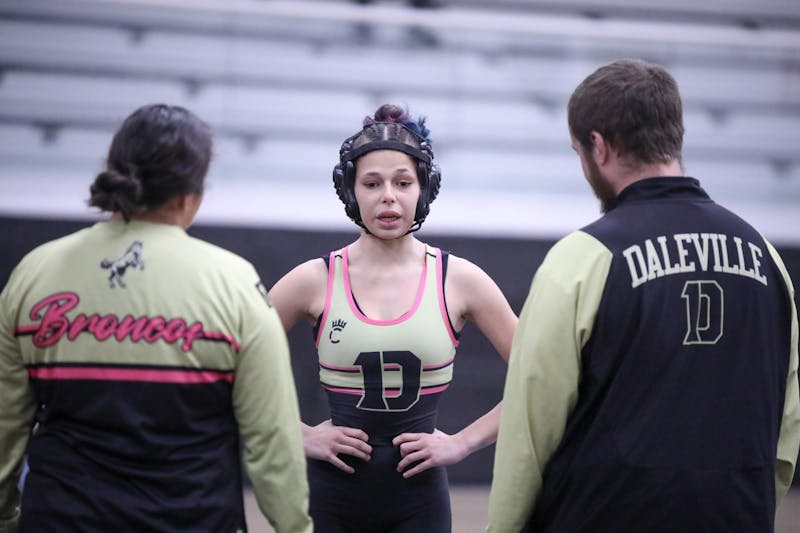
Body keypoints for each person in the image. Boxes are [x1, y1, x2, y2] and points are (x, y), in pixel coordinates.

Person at [487, 58, 800, 532]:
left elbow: (530, 430)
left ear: (599, 146)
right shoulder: (766, 257)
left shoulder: (583, 257)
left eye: (579, 151)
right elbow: (786, 423)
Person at [0, 104, 312, 532]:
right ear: (192, 195)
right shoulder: (234, 284)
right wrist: (295, 528)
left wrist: (6, 519)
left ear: (113, 173)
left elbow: (5, 424)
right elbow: (272, 439)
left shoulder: (35, 273)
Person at [269, 103, 518, 532]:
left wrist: (463, 442)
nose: (388, 196)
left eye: (403, 182)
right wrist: (301, 434)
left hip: (419, 505)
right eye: (372, 183)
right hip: (331, 501)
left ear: (425, 189)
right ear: (349, 191)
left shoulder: (459, 280)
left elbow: (543, 378)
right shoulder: (313, 280)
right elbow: (227, 371)